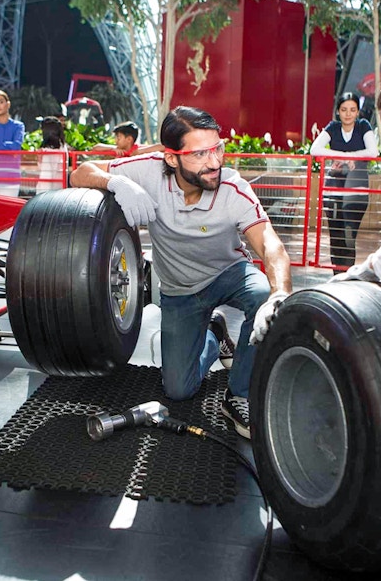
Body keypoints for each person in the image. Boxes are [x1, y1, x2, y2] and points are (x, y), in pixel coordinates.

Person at [71, 106, 292, 439]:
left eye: (217, 148)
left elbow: (270, 244)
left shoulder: (232, 187)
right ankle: (215, 336)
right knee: (178, 390)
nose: (214, 161)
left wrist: (280, 293)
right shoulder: (146, 171)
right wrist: (114, 182)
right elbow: (79, 173)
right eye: (199, 153)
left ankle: (240, 393)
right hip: (179, 291)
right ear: (171, 159)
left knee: (263, 296)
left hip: (228, 273)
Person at [310, 92, 378, 274]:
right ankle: (337, 278)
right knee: (336, 238)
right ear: (338, 112)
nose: (348, 114)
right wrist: (347, 157)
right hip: (332, 192)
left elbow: (372, 152)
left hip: (356, 192)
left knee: (349, 238)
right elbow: (314, 149)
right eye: (344, 110)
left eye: (352, 110)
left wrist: (344, 157)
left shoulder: (363, 126)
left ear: (357, 112)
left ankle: (347, 278)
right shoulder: (333, 127)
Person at [91, 120, 164, 157]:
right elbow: (95, 147)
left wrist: (140, 152)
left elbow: (162, 146)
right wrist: (113, 149)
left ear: (129, 139)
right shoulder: (118, 150)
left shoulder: (137, 149)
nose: (116, 140)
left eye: (118, 138)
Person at [36, 116, 68, 194]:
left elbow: (46, 175)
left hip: (47, 193)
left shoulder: (47, 151)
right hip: (60, 189)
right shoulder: (63, 147)